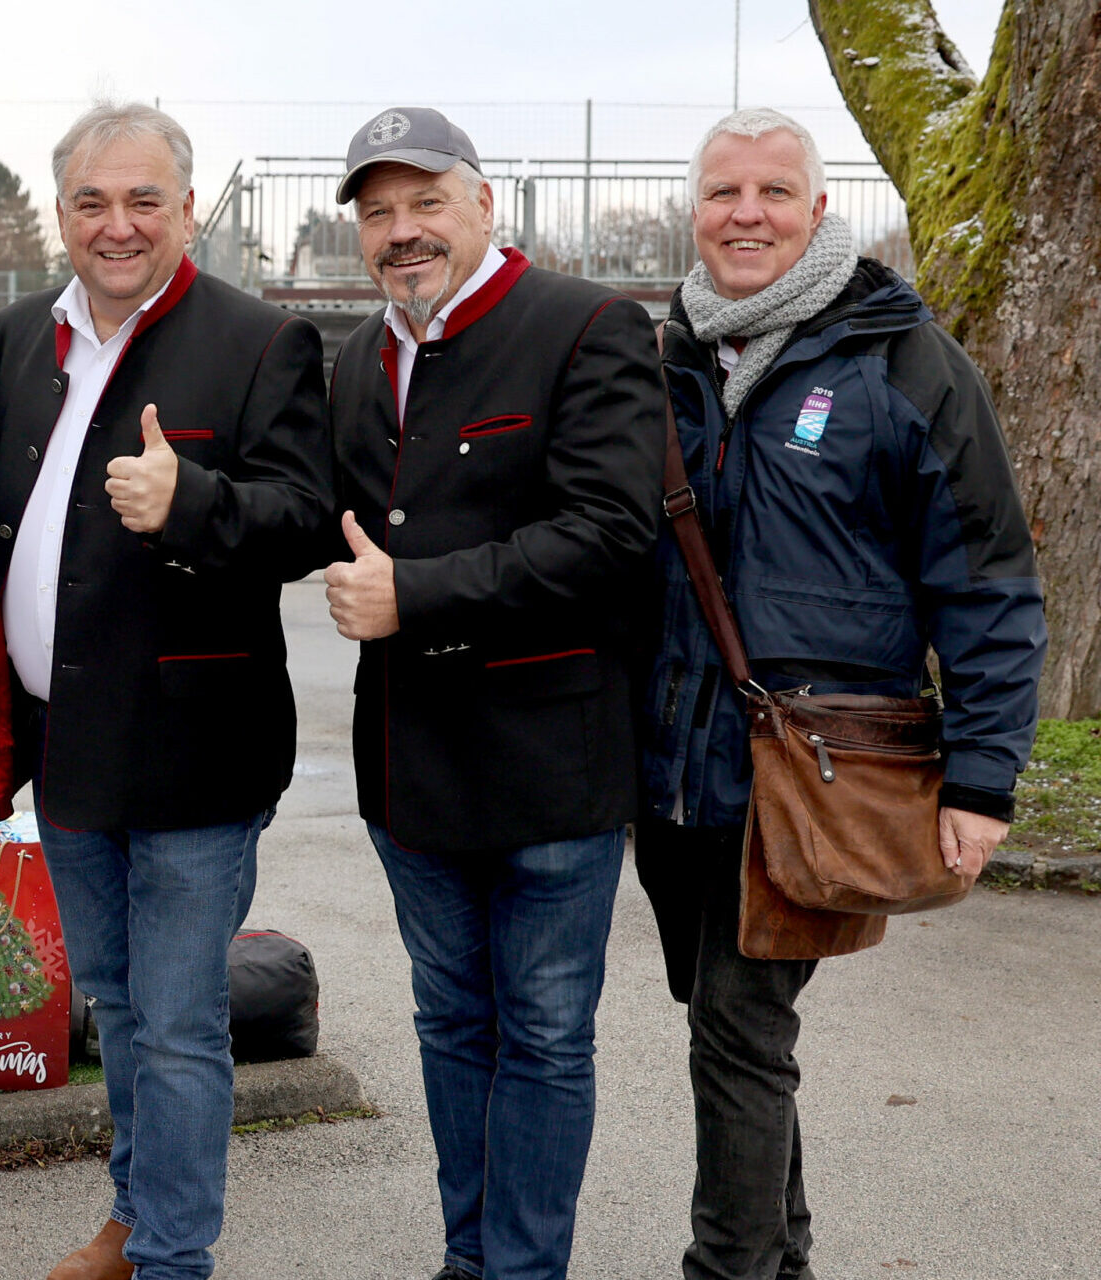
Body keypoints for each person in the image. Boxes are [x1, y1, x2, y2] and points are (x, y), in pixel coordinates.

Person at [634, 107, 1044, 1280]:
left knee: (738, 1026)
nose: (746, 213)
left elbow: (988, 585)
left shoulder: (904, 361)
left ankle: (731, 1267)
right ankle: (783, 1253)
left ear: (821, 210)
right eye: (723, 193)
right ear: (695, 212)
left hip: (814, 769)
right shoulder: (665, 360)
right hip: (677, 764)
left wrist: (981, 776)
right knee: (735, 1030)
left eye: (773, 191)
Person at [0, 102, 330, 1280]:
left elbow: (306, 518)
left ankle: (173, 1256)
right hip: (62, 742)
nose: (117, 226)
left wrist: (195, 502)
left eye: (144, 200)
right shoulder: (13, 335)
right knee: (116, 1007)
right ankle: (133, 1217)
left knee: (175, 1023)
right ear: (59, 210)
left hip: (192, 749)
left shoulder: (262, 339)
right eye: (91, 201)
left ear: (187, 206)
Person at [322, 107, 661, 1280]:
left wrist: (416, 596)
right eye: (378, 213)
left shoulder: (587, 327)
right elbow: (310, 515)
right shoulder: (356, 359)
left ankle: (520, 1269)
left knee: (547, 1037)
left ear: (483, 205)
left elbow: (613, 534)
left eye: (425, 203)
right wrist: (189, 505)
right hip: (410, 770)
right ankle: (470, 1259)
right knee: (451, 1026)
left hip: (550, 764)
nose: (402, 232)